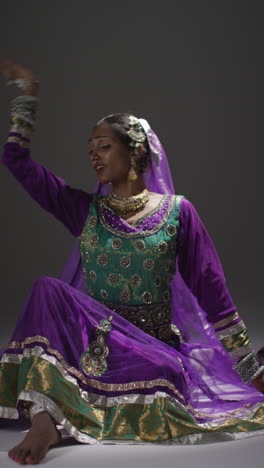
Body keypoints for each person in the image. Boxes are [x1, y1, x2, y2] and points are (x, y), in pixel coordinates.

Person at [0, 58, 264, 466]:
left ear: (136, 150)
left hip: (150, 348)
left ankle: (56, 413)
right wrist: (28, 96)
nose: (94, 156)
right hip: (89, 340)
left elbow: (214, 295)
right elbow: (17, 163)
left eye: (103, 146)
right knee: (46, 288)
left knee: (167, 371)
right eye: (90, 150)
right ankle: (45, 421)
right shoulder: (85, 210)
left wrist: (249, 371)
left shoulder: (178, 213)